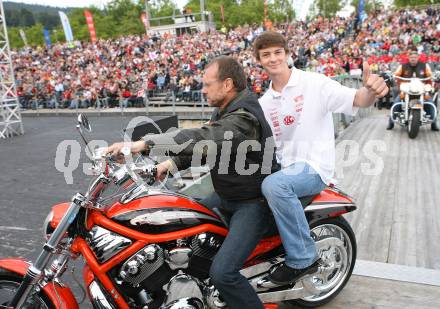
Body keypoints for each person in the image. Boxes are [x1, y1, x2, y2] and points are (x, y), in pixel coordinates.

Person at [103, 56, 275, 309]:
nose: (202, 89)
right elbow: (205, 148)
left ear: (227, 84)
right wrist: (168, 166)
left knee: (223, 273)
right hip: (227, 194)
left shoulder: (244, 117)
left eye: (207, 84)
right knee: (181, 228)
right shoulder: (225, 109)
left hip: (252, 201)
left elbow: (202, 136)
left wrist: (142, 144)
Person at [253, 31, 388, 285]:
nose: (273, 59)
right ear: (259, 61)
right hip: (285, 167)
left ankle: (303, 257)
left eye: (277, 52)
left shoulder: (314, 83)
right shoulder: (264, 102)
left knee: (274, 185)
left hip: (314, 167)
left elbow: (358, 99)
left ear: (287, 54)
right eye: (266, 55)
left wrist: (370, 91)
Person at [387, 48, 438, 131]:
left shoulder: (425, 66)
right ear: (409, 58)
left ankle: (434, 123)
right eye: (411, 57)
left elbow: (430, 76)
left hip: (421, 89)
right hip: (406, 89)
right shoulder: (403, 66)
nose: (413, 59)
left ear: (418, 57)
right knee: (397, 102)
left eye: (415, 57)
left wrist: (431, 80)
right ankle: (391, 121)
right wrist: (393, 76)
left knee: (430, 102)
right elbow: (396, 75)